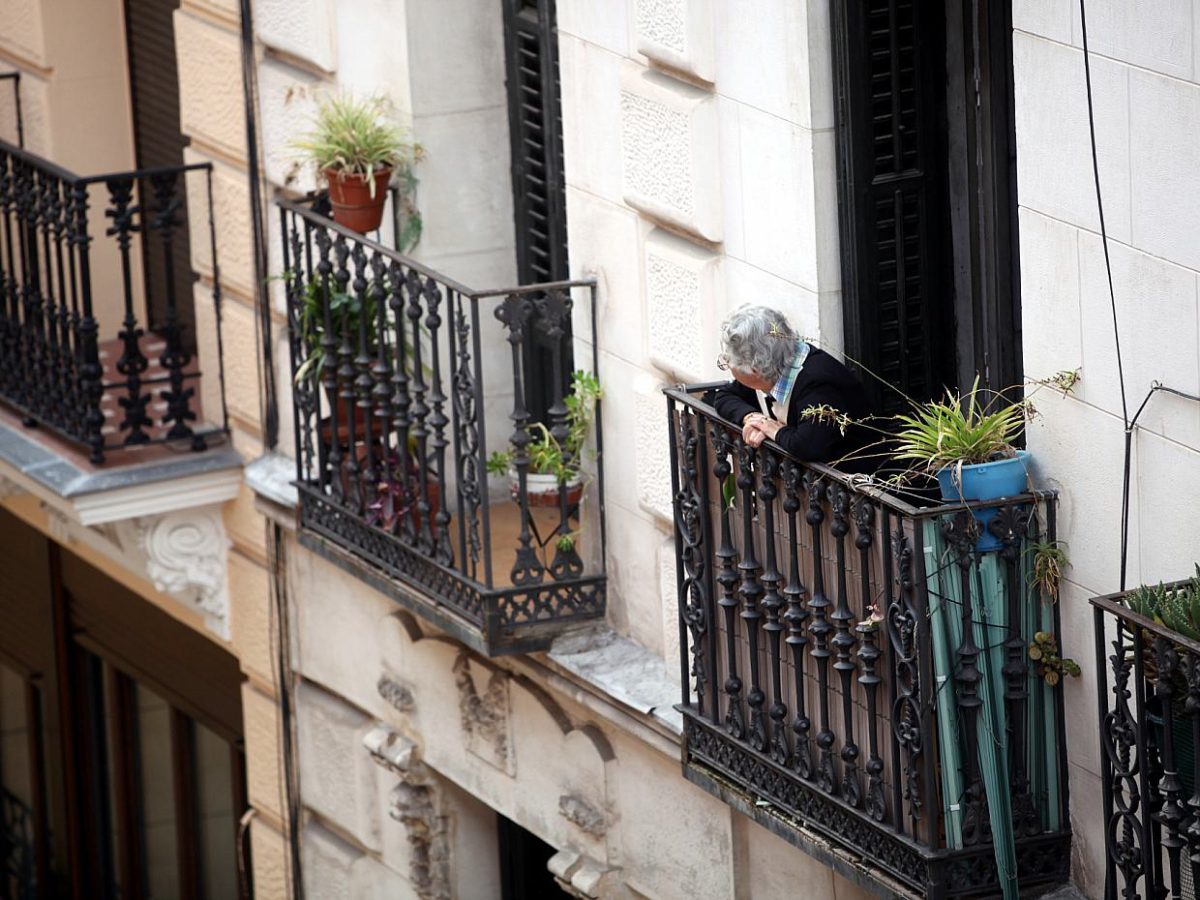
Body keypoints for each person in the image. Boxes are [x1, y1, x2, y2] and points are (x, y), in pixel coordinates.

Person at [706, 305, 873, 470]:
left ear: (754, 371)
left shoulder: (818, 383)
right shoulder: (771, 366)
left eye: (727, 362)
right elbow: (723, 397)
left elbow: (808, 446)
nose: (727, 364)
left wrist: (775, 431)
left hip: (858, 487)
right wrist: (752, 418)